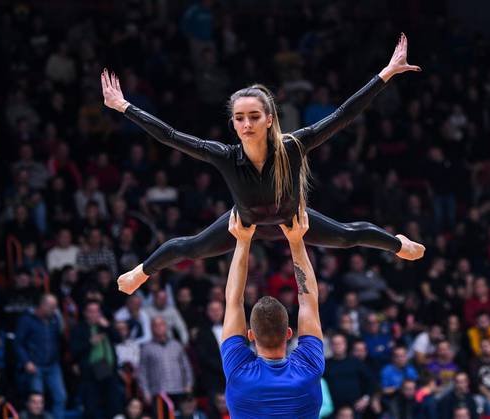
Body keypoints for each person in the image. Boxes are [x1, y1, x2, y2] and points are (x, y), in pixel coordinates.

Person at [101, 34, 425, 295]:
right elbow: (170, 136)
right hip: (244, 225)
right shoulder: (225, 155)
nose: (246, 124)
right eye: (240, 118)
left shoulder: (293, 146)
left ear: (269, 119)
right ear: (233, 122)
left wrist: (387, 73)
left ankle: (397, 243)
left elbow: (343, 115)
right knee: (191, 247)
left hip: (291, 220)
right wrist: (124, 106)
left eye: (254, 117)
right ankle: (141, 271)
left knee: (347, 235)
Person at [219, 208, 325, 417]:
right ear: (288, 332)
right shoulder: (308, 369)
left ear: (250, 335)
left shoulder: (239, 371)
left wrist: (242, 242)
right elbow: (308, 301)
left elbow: (233, 301)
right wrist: (296, 241)